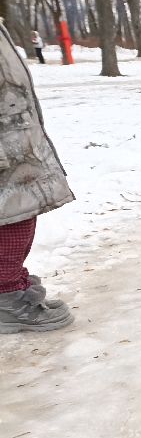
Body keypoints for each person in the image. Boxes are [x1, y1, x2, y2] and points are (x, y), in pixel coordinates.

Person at [0, 18, 75, 333]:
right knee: (13, 216)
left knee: (20, 210)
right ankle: (6, 295)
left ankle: (11, 283)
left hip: (12, 136)